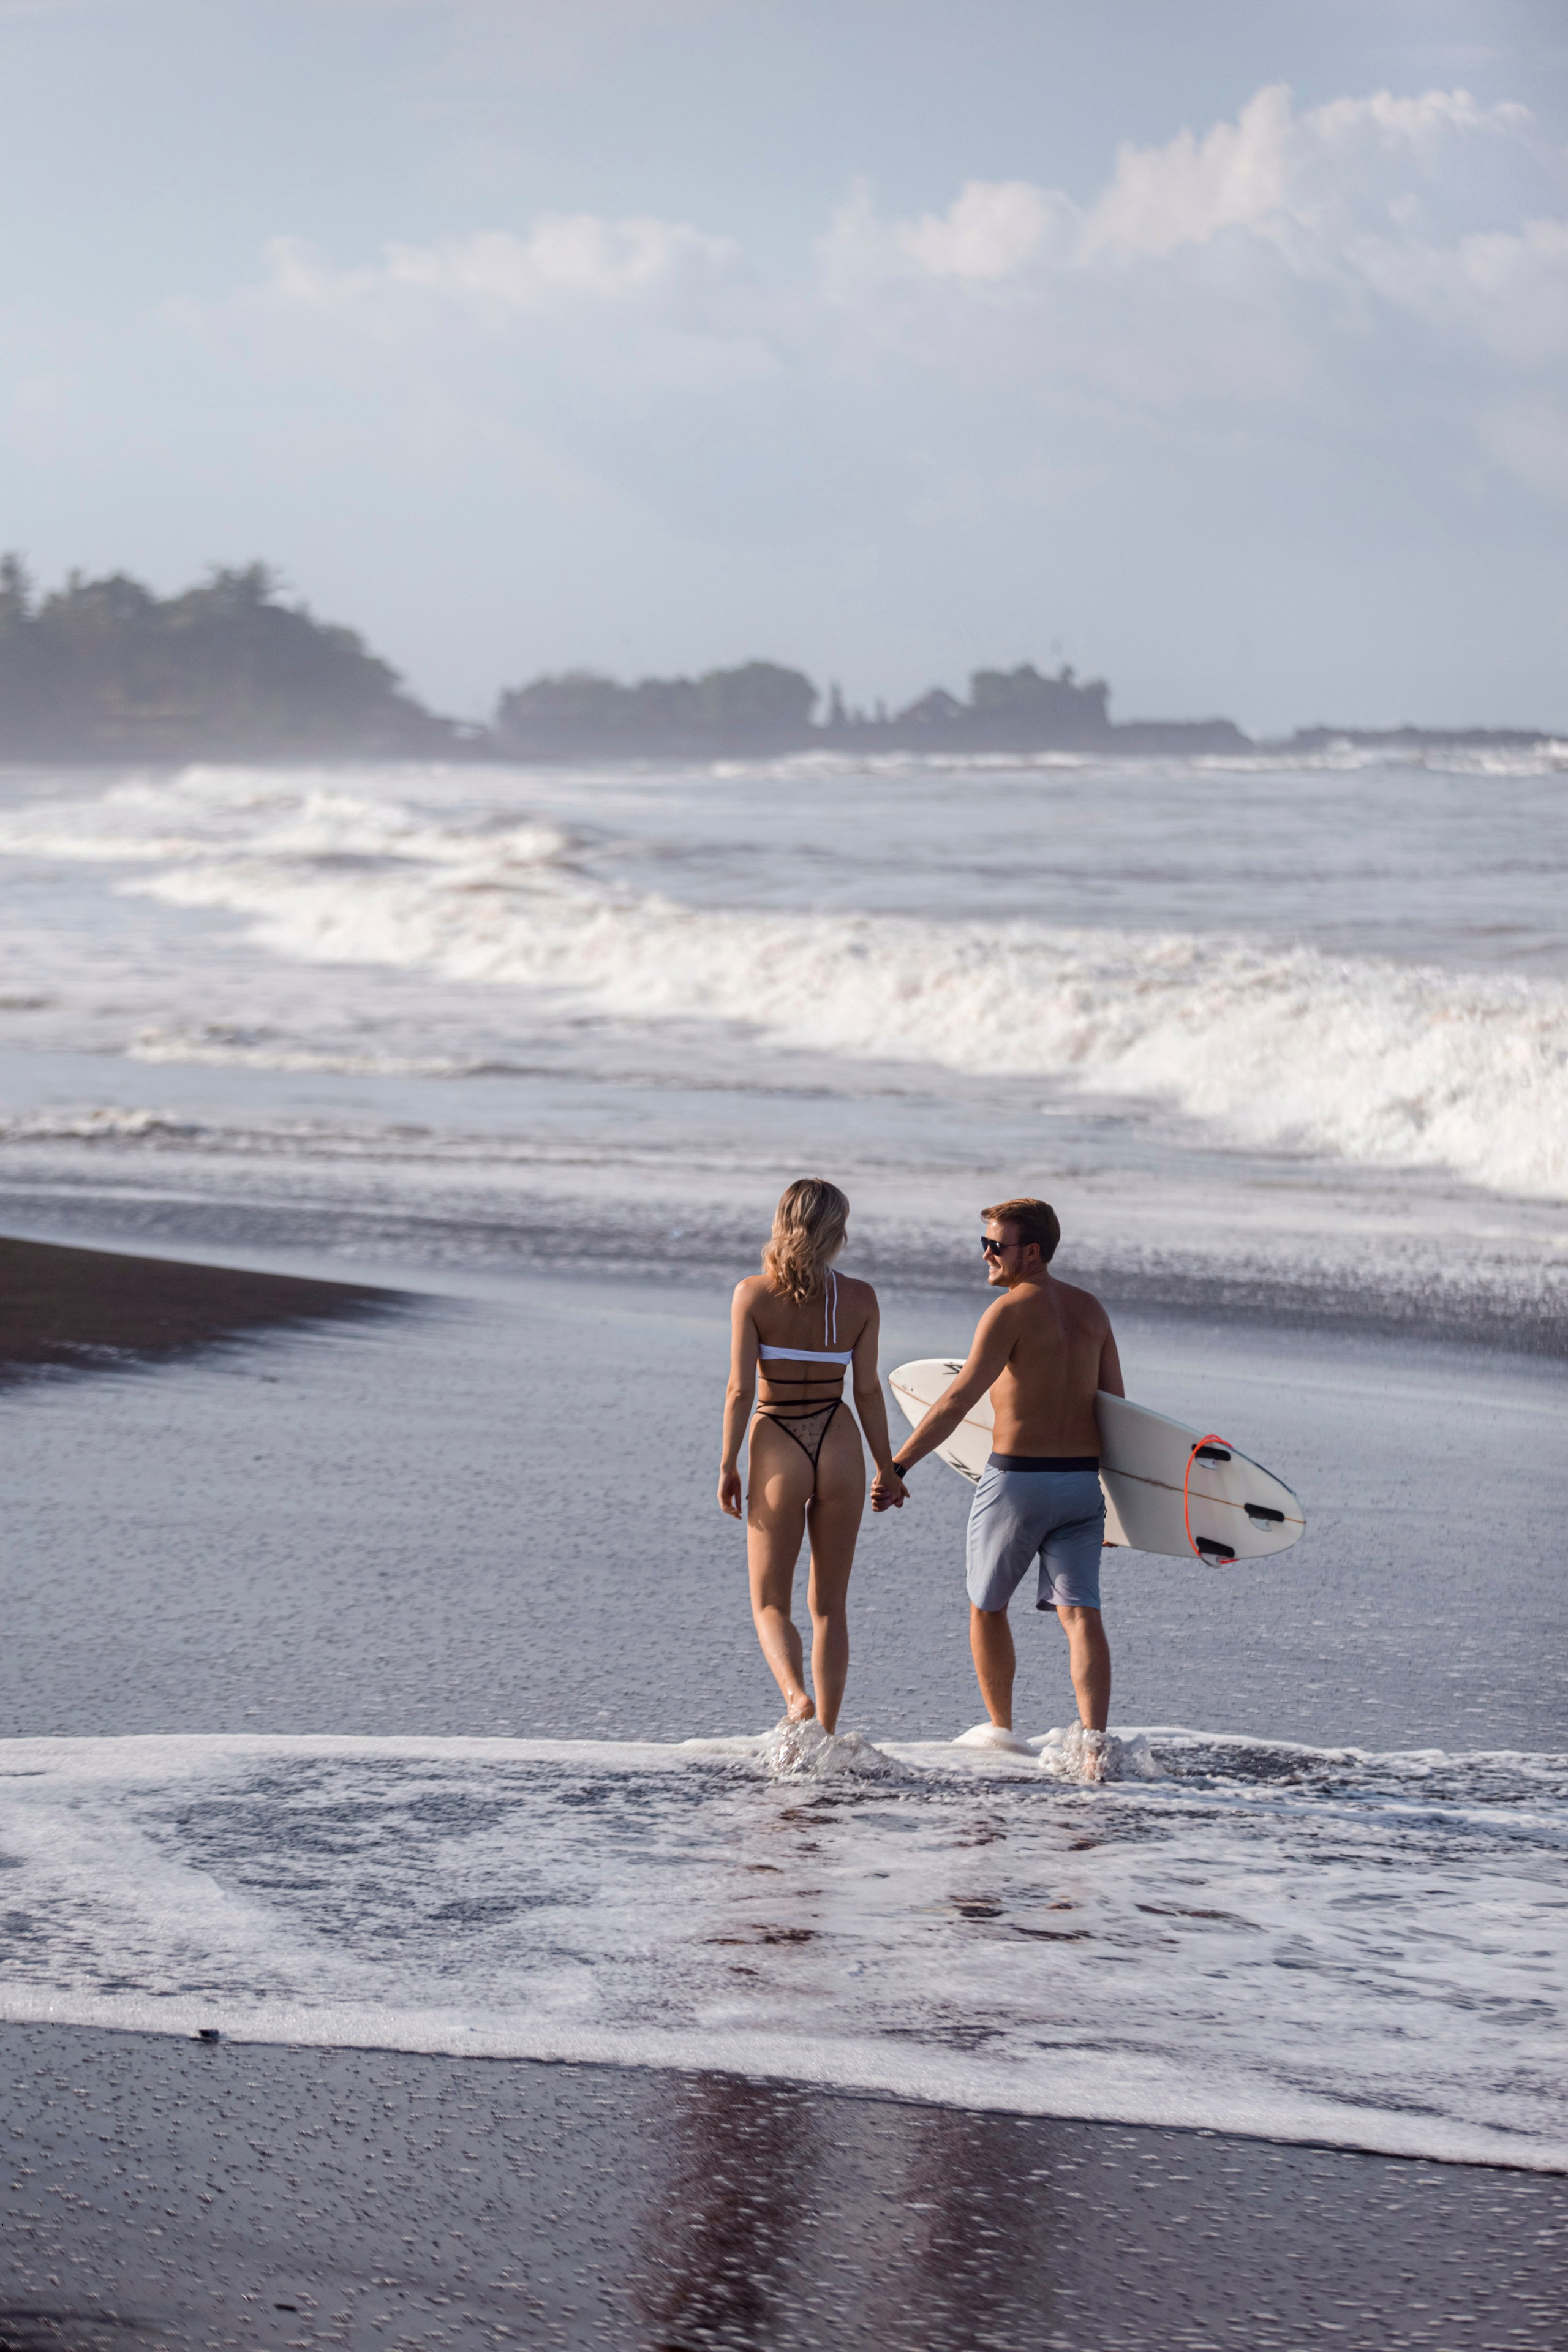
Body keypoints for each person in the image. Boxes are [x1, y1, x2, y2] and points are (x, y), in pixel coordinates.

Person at [873, 1197, 1123, 1772]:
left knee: (987, 1607)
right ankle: (1094, 1748)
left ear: (1030, 1253)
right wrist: (1117, 1506)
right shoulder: (1092, 1312)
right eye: (983, 1243)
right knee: (1081, 1614)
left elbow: (959, 1398)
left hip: (1018, 1482)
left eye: (996, 1245)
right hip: (1083, 1484)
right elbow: (1117, 1411)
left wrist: (898, 1466)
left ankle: (1003, 1738)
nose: (985, 1255)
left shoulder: (1009, 1312)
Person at [718, 1178, 905, 1732]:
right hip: (838, 1435)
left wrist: (728, 1463)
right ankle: (824, 1733)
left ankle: (796, 1699)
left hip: (779, 1435)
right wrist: (887, 1467)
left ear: (783, 1221)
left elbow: (739, 1391)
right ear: (837, 1232)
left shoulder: (752, 1293)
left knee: (771, 1601)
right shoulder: (861, 1298)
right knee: (830, 1605)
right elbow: (867, 1391)